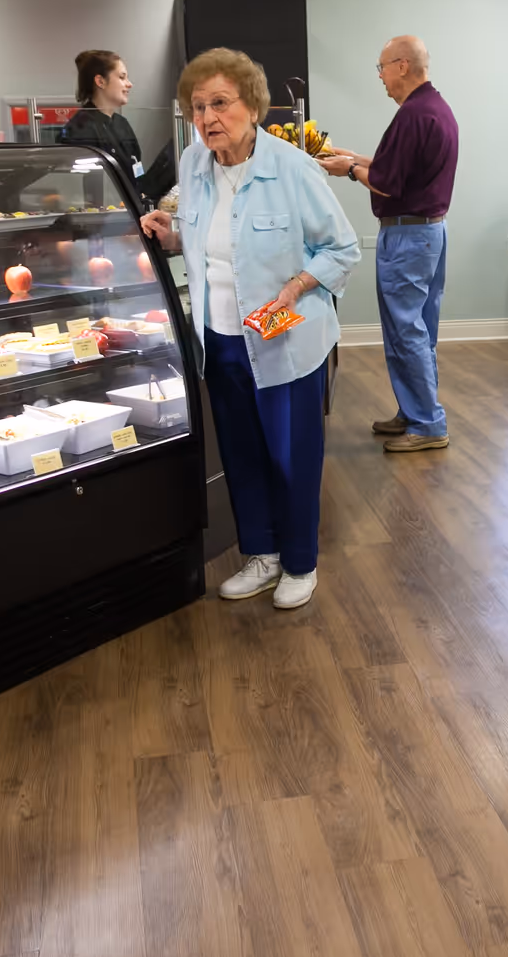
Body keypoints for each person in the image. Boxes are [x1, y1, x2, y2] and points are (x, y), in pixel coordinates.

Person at [140, 48, 359, 609]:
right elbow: (201, 242)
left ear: (252, 106)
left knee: (292, 453)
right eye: (198, 107)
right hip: (220, 337)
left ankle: (299, 562)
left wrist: (296, 289)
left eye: (220, 103)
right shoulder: (194, 164)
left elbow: (342, 248)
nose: (209, 117)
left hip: (284, 335)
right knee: (239, 451)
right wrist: (166, 234)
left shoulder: (292, 167)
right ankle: (260, 554)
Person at [317, 35, 458, 452]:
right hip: (430, 232)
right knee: (419, 329)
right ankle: (416, 410)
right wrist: (353, 157)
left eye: (381, 68)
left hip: (408, 236)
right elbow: (397, 171)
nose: (379, 77)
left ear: (401, 65)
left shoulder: (412, 115)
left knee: (405, 331)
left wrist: (346, 170)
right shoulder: (435, 109)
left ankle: (428, 425)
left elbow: (386, 185)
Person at [58, 49, 171, 207]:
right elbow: (78, 186)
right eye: (122, 77)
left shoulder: (121, 124)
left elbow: (135, 168)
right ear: (100, 81)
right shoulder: (79, 129)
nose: (129, 84)